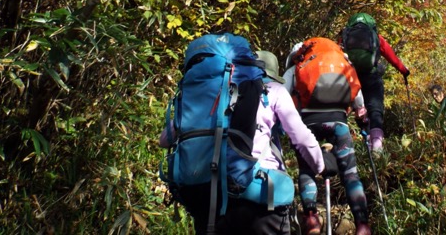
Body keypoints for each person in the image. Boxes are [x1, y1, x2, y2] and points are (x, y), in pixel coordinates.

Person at [159, 47, 335, 235]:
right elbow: (301, 137)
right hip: (260, 196)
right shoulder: (274, 90)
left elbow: (165, 140)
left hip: (210, 195)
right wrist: (321, 165)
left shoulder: (218, 93)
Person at [284, 39, 372, 235]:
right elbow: (359, 100)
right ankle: (362, 224)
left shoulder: (297, 65)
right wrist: (362, 116)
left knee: (306, 169)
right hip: (339, 123)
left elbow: (282, 96)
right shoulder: (342, 62)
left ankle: (312, 217)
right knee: (350, 174)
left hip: (307, 125)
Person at [340, 13, 410, 156]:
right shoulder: (376, 38)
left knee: (357, 110)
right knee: (375, 109)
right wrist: (404, 71)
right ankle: (377, 148)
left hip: (352, 79)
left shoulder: (345, 38)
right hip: (372, 77)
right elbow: (392, 57)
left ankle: (363, 142)